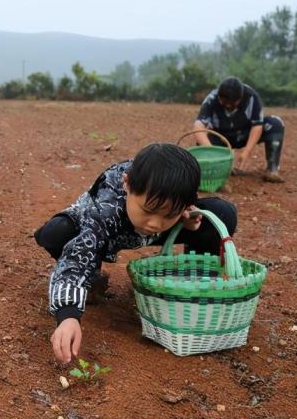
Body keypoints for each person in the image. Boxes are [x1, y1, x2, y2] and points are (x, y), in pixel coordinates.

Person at [34, 143, 238, 364]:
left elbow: (172, 210)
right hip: (105, 232)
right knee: (56, 233)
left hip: (150, 225)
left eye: (168, 213)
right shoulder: (105, 209)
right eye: (148, 210)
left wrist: (185, 217)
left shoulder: (171, 198)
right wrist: (68, 315)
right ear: (127, 184)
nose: (155, 223)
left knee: (221, 212)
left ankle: (197, 287)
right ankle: (91, 279)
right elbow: (77, 256)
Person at [193, 77, 285, 183]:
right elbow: (198, 126)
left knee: (275, 123)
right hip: (221, 136)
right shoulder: (211, 99)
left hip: (245, 134)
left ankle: (272, 169)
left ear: (241, 98)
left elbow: (257, 126)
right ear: (219, 96)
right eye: (224, 101)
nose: (228, 105)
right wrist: (212, 151)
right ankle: (219, 169)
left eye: (233, 102)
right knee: (202, 141)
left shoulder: (252, 96)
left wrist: (247, 152)